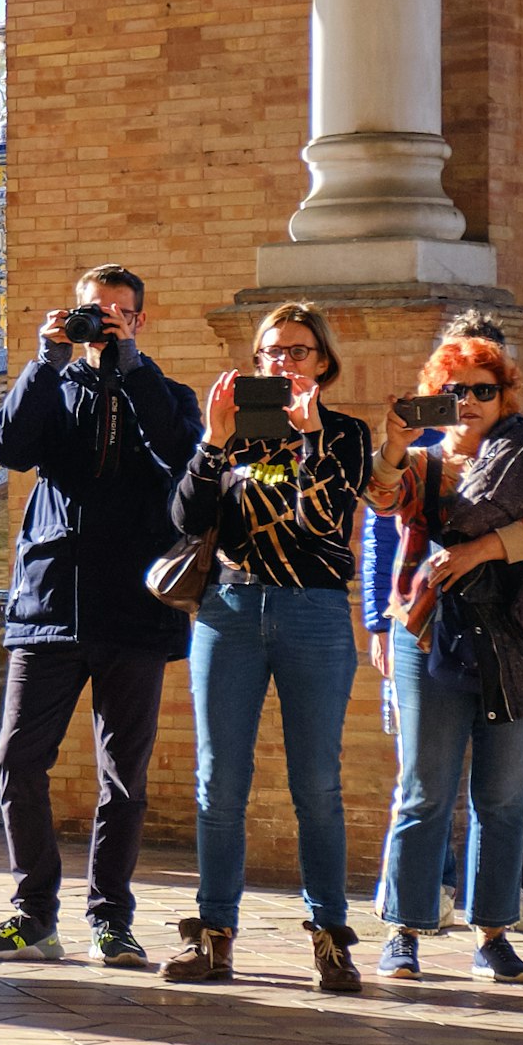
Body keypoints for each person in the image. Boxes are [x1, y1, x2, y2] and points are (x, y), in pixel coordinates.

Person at [0, 263, 196, 972]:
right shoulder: (53, 383)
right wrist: (45, 360)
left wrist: (130, 368)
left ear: (140, 322)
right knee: (14, 760)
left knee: (122, 776)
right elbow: (6, 449)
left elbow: (182, 455)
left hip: (134, 610)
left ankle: (111, 919)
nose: (107, 322)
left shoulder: (169, 394)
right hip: (48, 605)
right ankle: (34, 915)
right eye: (96, 311)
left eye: (121, 314)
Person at [160, 303, 373, 992]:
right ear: (254, 363)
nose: (285, 364)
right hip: (229, 609)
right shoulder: (232, 438)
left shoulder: (344, 434)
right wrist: (212, 445)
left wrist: (309, 442)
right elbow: (187, 520)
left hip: (312, 611)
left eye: (300, 352)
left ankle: (330, 937)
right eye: (272, 353)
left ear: (323, 363)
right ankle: (213, 935)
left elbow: (328, 526)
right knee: (219, 781)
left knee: (316, 782)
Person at [363, 335, 523, 982]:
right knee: (424, 792)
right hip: (427, 635)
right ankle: (404, 931)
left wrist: (480, 551)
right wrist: (395, 444)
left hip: (516, 638)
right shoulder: (424, 465)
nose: (469, 402)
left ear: (503, 393)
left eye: (483, 389)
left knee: (502, 799)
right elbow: (380, 498)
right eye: (455, 390)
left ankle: (492, 935)